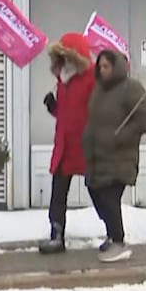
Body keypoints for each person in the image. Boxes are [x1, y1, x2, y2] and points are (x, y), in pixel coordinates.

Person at [81, 49, 146, 263]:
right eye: (100, 66)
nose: (102, 70)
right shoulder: (99, 89)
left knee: (109, 198)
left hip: (120, 156)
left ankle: (119, 242)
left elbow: (143, 121)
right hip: (98, 155)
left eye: (106, 66)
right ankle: (112, 234)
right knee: (95, 191)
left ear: (116, 67)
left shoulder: (131, 88)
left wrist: (119, 137)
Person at [38, 33, 95, 254]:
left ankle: (115, 233)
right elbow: (66, 114)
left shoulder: (91, 79)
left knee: (98, 192)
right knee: (58, 194)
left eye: (66, 56)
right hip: (64, 145)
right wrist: (54, 108)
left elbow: (96, 110)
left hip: (85, 145)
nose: (63, 61)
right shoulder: (61, 81)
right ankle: (57, 235)